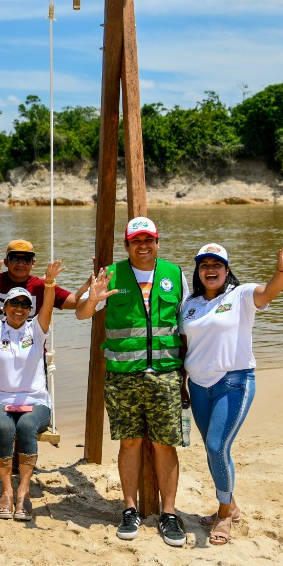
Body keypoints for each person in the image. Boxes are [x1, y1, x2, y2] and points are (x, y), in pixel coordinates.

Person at [75, 215, 188, 547]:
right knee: (130, 443)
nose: (143, 245)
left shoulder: (175, 274)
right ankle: (129, 509)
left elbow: (188, 323)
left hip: (166, 375)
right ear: (126, 244)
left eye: (148, 239)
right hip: (123, 376)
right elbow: (82, 314)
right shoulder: (111, 274)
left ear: (157, 242)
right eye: (136, 240)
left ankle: (168, 513)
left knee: (165, 445)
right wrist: (93, 297)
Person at [181, 238, 283, 545]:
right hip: (197, 386)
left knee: (215, 446)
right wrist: (182, 382)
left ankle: (223, 516)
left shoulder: (241, 295)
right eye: (204, 265)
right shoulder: (190, 305)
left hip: (233, 383)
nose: (210, 270)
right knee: (215, 450)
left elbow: (268, 292)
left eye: (217, 265)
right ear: (198, 271)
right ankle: (230, 504)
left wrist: (281, 271)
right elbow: (185, 346)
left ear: (226, 270)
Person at [0, 238, 87, 476]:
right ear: (6, 261)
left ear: (33, 263)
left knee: (26, 410)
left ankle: (17, 460)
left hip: (31, 358)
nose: (20, 263)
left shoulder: (40, 285)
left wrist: (90, 284)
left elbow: (75, 304)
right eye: (15, 258)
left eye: (25, 259)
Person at [0, 244, 63, 521]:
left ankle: (23, 494)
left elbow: (48, 306)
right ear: (5, 307)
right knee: (3, 427)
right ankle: (5, 492)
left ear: (30, 309)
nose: (18, 308)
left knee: (27, 426)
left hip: (35, 401)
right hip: (0, 401)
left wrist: (49, 283)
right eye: (13, 303)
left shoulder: (36, 331)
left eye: (25, 304)